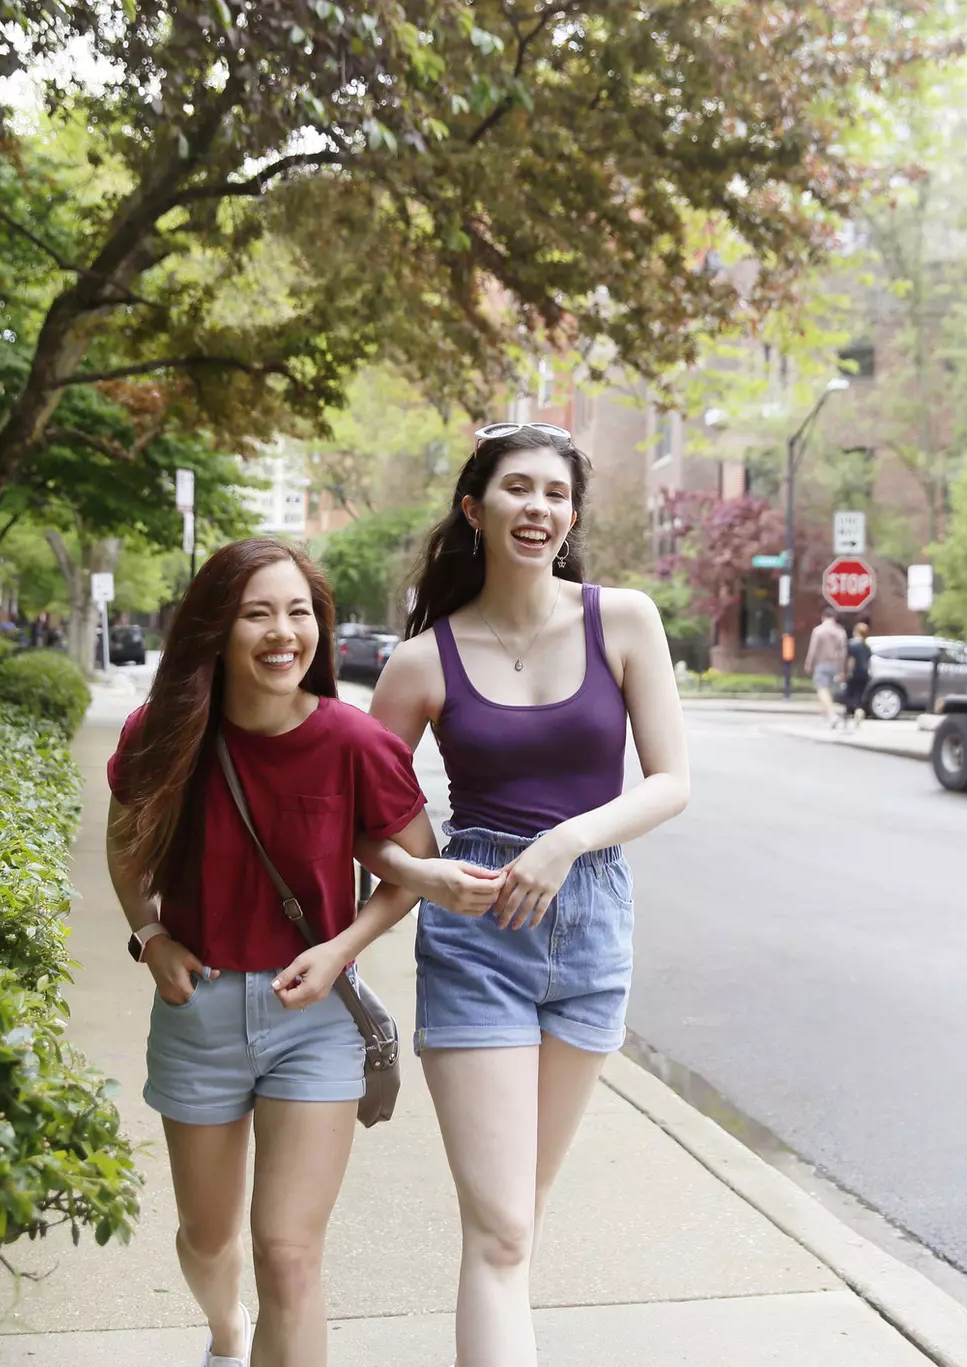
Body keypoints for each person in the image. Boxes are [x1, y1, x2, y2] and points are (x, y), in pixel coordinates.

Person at [105, 538, 498, 1367]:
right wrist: (151, 934)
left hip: (314, 1018)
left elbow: (407, 873)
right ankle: (225, 1331)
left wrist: (340, 949)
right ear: (217, 627)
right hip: (198, 1009)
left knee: (289, 1253)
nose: (284, 632)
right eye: (258, 613)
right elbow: (127, 843)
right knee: (206, 1243)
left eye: (298, 612)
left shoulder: (355, 742)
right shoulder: (163, 731)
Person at [358, 421, 692, 1367]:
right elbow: (365, 816)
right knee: (503, 1231)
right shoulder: (423, 661)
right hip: (478, 941)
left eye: (555, 493)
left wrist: (568, 839)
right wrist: (424, 875)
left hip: (591, 929)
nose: (538, 508)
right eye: (517, 490)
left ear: (572, 513)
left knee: (514, 1228)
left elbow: (671, 780)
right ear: (475, 508)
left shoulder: (623, 619)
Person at [804, 607, 849, 727]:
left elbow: (813, 649)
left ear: (823, 617)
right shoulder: (840, 631)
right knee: (831, 690)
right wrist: (843, 669)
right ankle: (826, 712)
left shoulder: (818, 631)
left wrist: (809, 663)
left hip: (821, 663)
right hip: (835, 664)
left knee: (822, 689)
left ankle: (832, 714)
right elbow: (843, 652)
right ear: (834, 617)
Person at [843, 621, 874, 728]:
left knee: (849, 695)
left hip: (855, 673)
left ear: (856, 631)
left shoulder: (852, 644)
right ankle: (859, 711)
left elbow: (851, 660)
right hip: (865, 674)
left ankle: (850, 714)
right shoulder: (867, 647)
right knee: (860, 695)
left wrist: (847, 673)